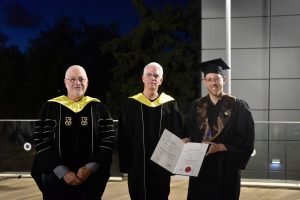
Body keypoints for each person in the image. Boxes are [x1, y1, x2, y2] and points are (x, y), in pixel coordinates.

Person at [31, 65, 115, 200]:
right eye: (72, 79)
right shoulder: (51, 107)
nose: (77, 82)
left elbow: (108, 140)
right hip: (57, 179)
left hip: (90, 179)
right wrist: (62, 172)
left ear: (87, 82)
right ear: (65, 82)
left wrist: (90, 168)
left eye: (81, 79)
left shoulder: (99, 108)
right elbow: (42, 141)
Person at [184, 58, 255, 200]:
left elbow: (247, 140)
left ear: (224, 80)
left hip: (226, 169)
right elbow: (188, 131)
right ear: (205, 82)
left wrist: (221, 147)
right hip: (201, 169)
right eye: (209, 79)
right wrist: (187, 139)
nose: (213, 83)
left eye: (217, 79)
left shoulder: (238, 106)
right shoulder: (197, 106)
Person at [118, 62, 183, 200]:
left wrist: (173, 164)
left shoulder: (170, 104)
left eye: (156, 75)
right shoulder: (131, 104)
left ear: (161, 80)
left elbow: (177, 134)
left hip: (162, 166)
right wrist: (126, 164)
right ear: (143, 78)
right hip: (137, 165)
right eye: (149, 75)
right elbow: (123, 137)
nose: (152, 78)